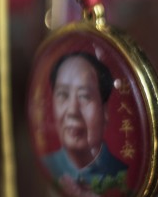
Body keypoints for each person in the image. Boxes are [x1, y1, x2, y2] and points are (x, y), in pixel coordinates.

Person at [43, 51, 128, 187]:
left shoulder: (122, 176)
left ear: (105, 111)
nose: (72, 111)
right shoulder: (47, 166)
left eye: (85, 96)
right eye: (63, 95)